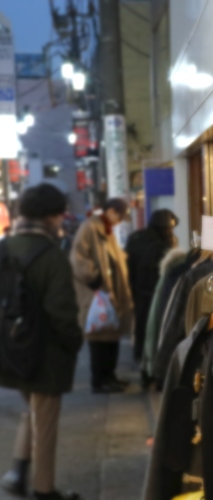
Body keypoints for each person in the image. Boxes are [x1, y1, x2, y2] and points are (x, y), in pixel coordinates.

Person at [0, 184, 83, 500]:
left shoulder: (4, 247)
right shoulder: (51, 256)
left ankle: (18, 472)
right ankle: (44, 490)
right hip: (44, 353)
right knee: (45, 422)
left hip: (9, 348)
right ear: (52, 216)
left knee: (33, 409)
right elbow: (62, 312)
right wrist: (73, 342)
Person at [70, 199, 133, 394]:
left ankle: (109, 376)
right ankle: (100, 380)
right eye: (120, 215)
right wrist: (95, 280)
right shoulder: (91, 227)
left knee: (110, 336)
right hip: (97, 294)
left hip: (109, 293)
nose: (120, 220)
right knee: (99, 338)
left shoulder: (105, 229)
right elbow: (78, 258)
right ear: (111, 211)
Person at [125, 209, 179, 363]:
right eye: (170, 228)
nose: (171, 232)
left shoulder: (136, 238)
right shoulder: (160, 245)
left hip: (137, 290)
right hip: (153, 292)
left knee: (141, 326)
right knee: (152, 328)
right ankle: (149, 363)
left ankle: (140, 356)